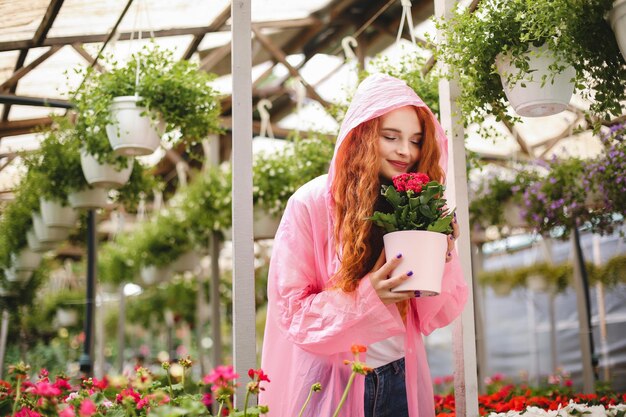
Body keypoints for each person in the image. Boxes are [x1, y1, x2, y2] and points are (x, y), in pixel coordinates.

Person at [259, 74, 468, 417]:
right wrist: (369, 293)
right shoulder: (311, 203)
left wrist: (441, 254)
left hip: (398, 376)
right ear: (362, 136)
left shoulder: (412, 202)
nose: (406, 151)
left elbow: (437, 312)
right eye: (390, 137)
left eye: (416, 140)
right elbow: (292, 312)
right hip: (332, 384)